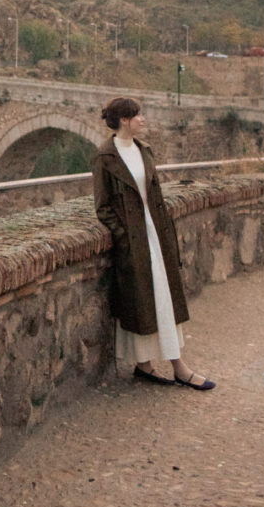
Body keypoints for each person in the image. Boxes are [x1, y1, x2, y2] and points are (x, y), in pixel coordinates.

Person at [92, 95, 215, 389]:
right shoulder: (105, 158)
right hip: (134, 241)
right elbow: (102, 206)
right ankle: (146, 365)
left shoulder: (143, 150)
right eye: (138, 116)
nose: (143, 120)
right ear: (124, 121)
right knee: (142, 305)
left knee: (164, 299)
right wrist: (123, 237)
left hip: (156, 235)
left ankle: (178, 366)